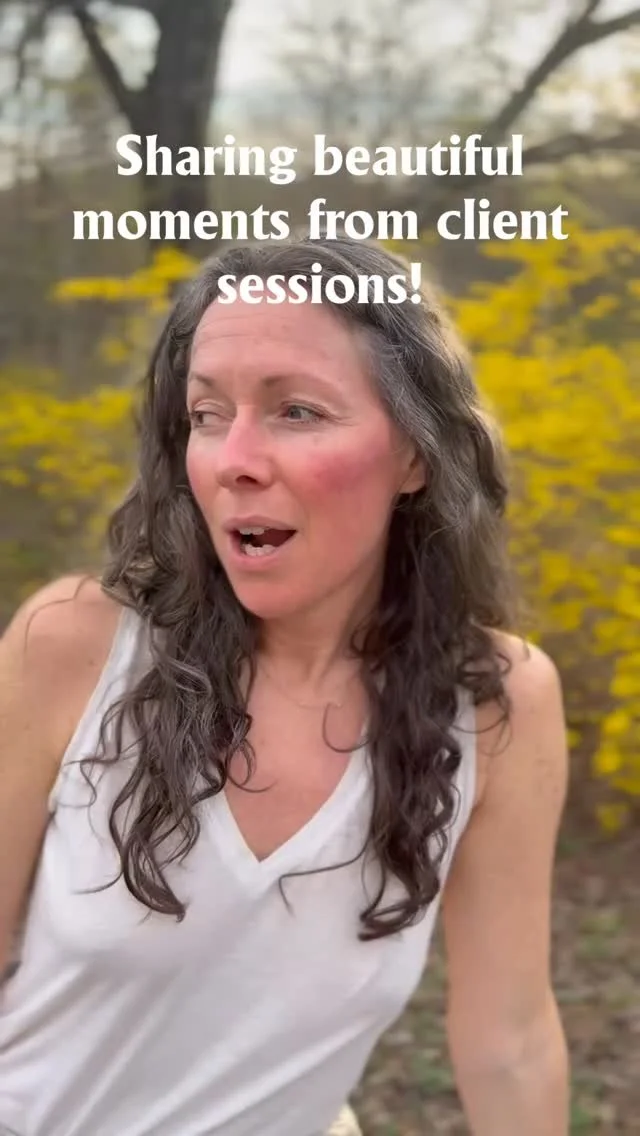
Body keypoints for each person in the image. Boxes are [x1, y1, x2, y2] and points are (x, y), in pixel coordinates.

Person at [0, 236, 570, 1136]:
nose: (234, 458)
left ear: (415, 454)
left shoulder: (497, 702)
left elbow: (512, 1043)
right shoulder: (72, 647)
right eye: (207, 413)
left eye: (297, 411)